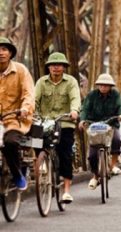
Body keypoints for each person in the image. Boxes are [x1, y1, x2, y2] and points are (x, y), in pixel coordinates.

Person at [35, 52, 81, 203]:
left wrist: (74, 111)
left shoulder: (71, 82)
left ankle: (66, 190)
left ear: (64, 67)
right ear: (48, 67)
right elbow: (34, 100)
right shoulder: (41, 82)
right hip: (43, 121)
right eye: (53, 65)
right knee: (35, 140)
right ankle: (42, 164)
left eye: (59, 65)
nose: (56, 68)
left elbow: (75, 98)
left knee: (65, 152)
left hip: (64, 122)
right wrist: (32, 113)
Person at [79, 73, 121, 190]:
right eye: (101, 85)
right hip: (94, 125)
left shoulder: (115, 94)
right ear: (98, 85)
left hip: (110, 124)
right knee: (92, 156)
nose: (103, 87)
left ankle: (113, 165)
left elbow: (120, 105)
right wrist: (83, 120)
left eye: (106, 85)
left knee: (116, 140)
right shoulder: (91, 95)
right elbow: (85, 108)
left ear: (111, 86)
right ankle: (95, 176)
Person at [0, 37, 35, 190]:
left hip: (14, 118)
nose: (0, 53)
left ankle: (17, 174)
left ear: (10, 53)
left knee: (10, 142)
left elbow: (29, 93)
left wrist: (25, 108)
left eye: (4, 49)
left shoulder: (20, 70)